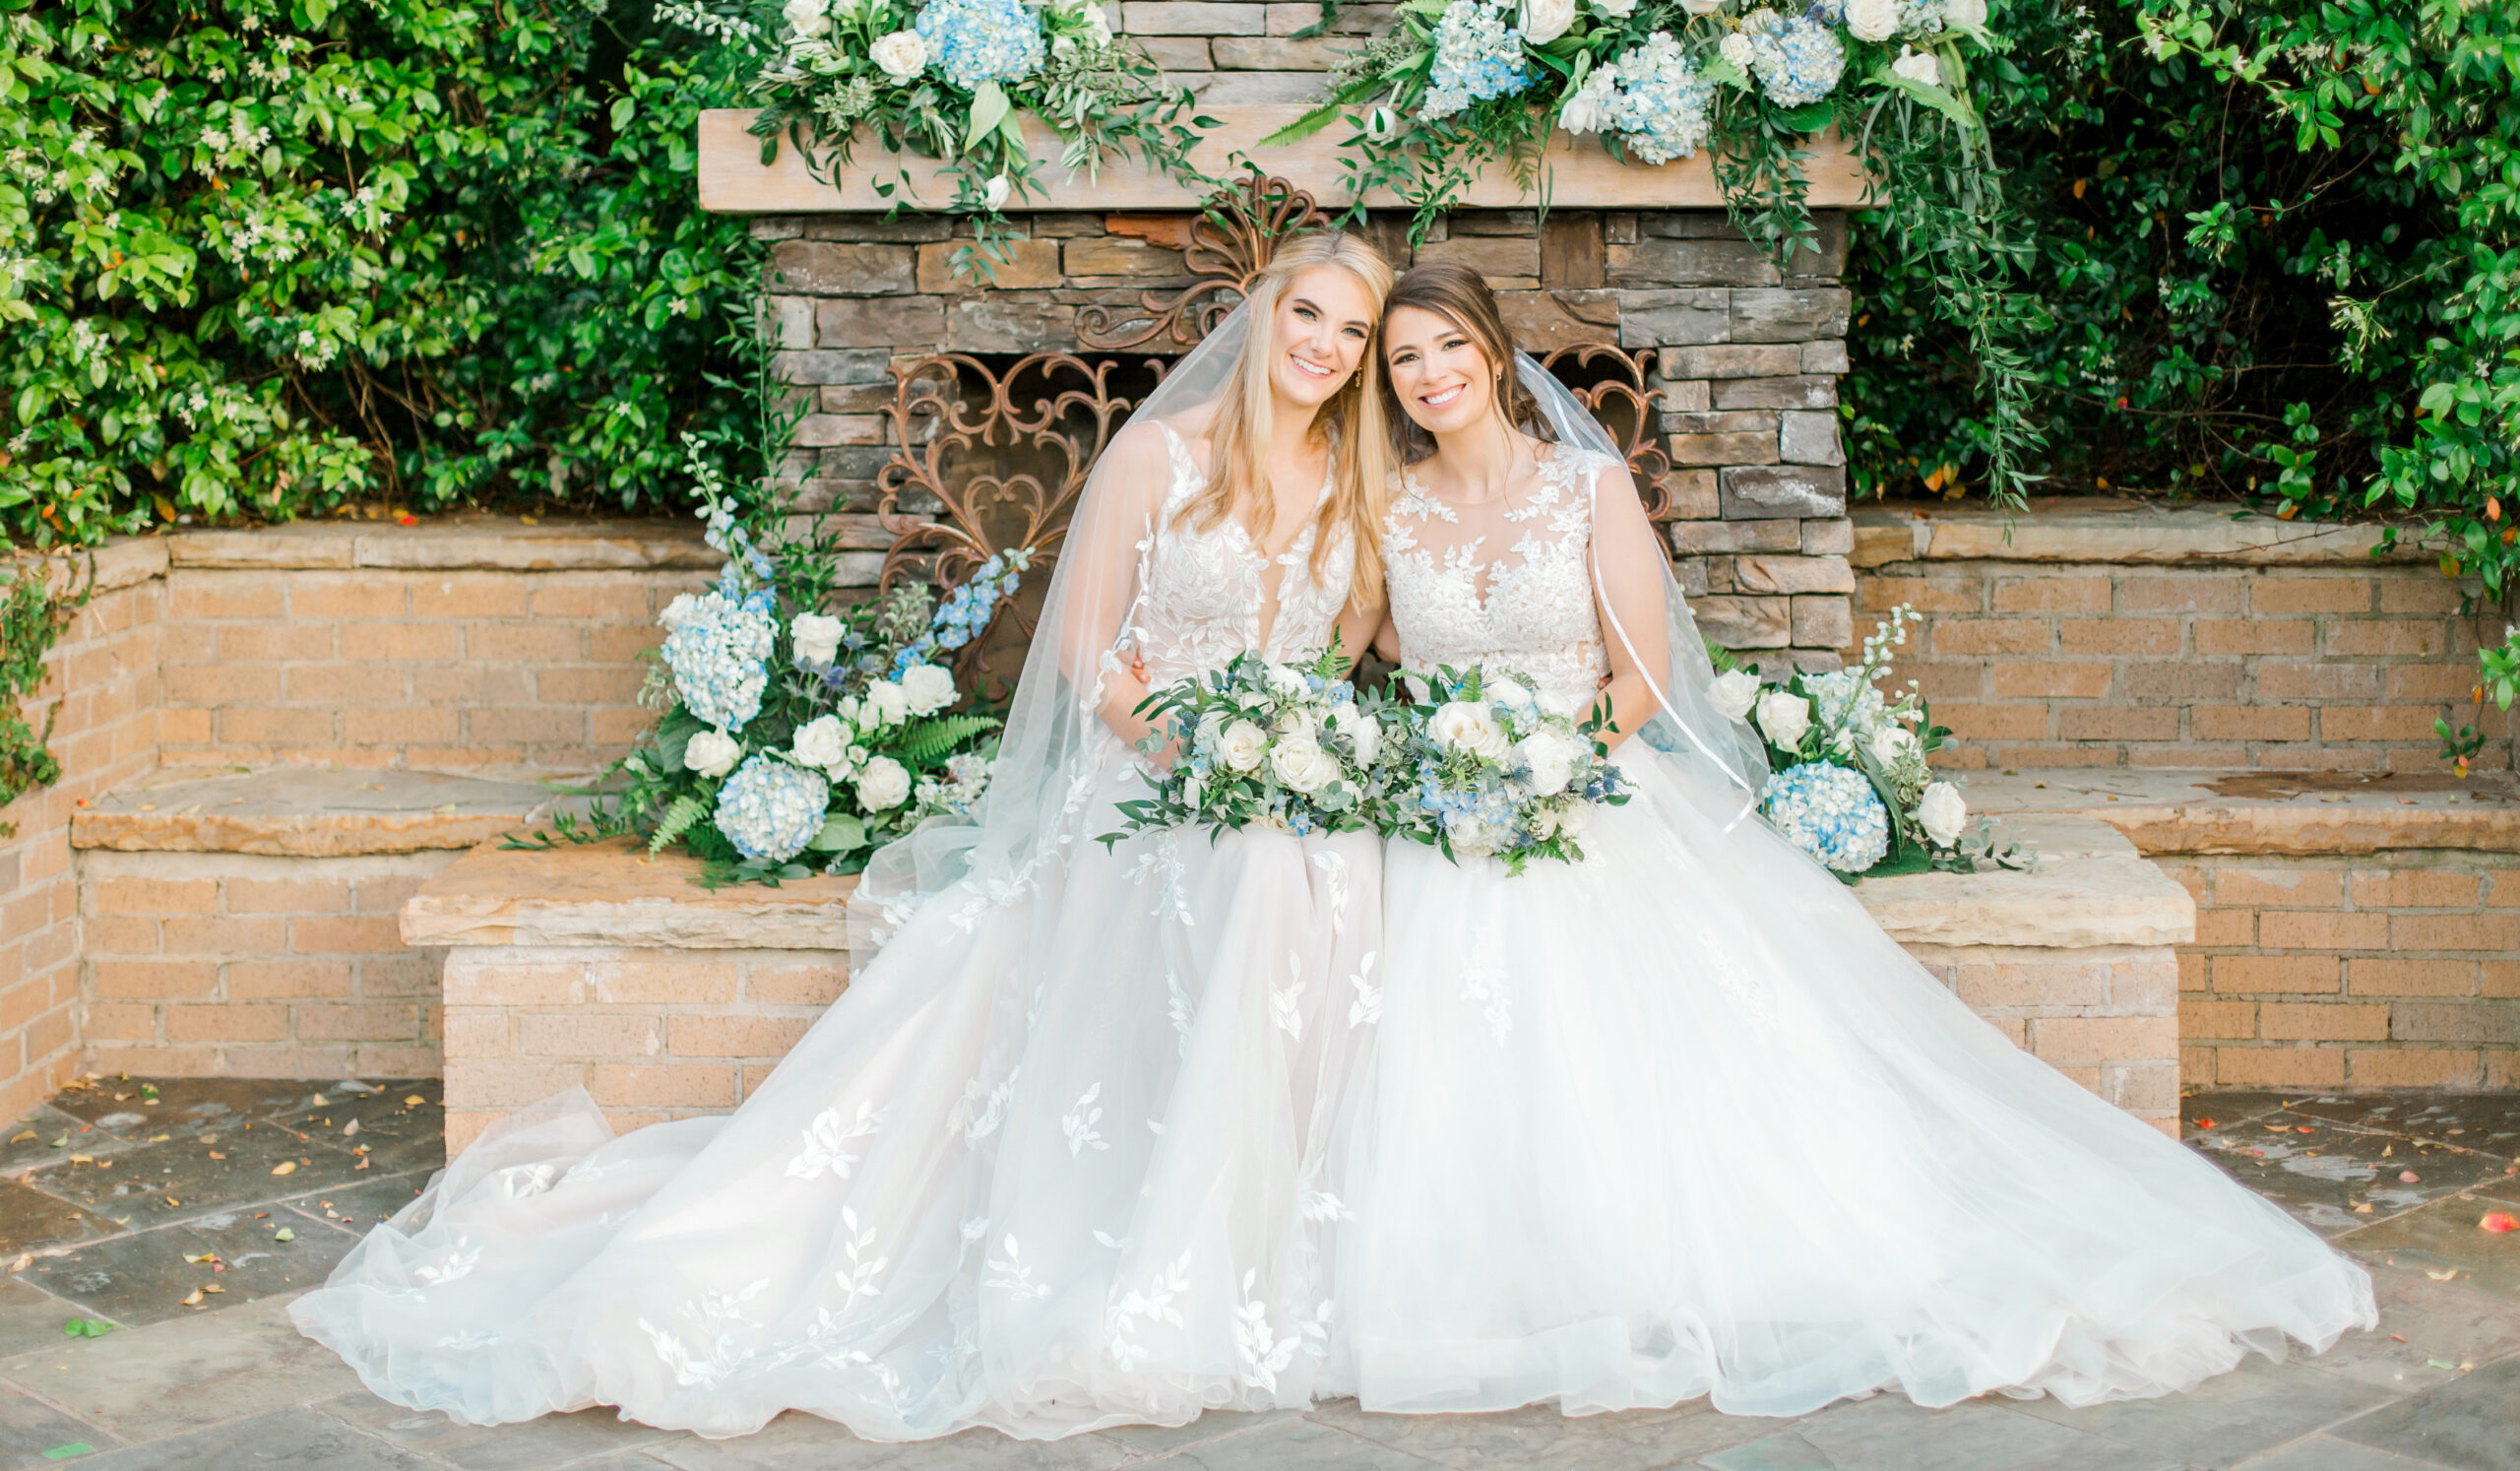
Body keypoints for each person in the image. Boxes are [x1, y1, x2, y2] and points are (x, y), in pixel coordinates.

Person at [291, 231, 1402, 1441]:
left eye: (1352, 333)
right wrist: (1190, 746)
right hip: (1146, 775)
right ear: (1264, 312)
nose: (1325, 350)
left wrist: (1297, 747)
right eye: (1308, 316)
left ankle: (1273, 1237)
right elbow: (1086, 651)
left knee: (1336, 867)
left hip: (1269, 770)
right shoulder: (1159, 453)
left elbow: (1341, 653)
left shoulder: (1360, 474)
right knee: (1250, 877)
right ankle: (1174, 1254)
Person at [1333, 260, 2375, 1418]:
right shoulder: (1387, 508)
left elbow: (1640, 681)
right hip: (1448, 821)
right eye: (1404, 359)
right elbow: (1351, 652)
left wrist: (1551, 767)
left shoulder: (1583, 486)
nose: (1429, 375)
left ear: (1492, 350)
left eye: (1448, 347)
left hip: (1588, 796)